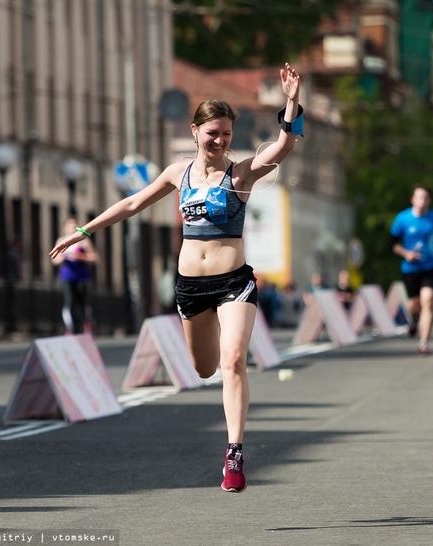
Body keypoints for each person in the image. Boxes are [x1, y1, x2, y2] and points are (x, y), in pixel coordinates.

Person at [50, 63, 303, 493]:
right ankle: (229, 433)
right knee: (204, 368)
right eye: (213, 133)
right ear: (195, 131)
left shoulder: (240, 173)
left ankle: (235, 452)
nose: (220, 141)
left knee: (233, 362)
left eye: (226, 134)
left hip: (234, 282)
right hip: (190, 287)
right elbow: (132, 203)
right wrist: (82, 231)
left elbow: (282, 147)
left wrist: (291, 102)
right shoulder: (176, 174)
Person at [390, 184, 433, 355]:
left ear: (429, 200)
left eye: (425, 197)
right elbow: (393, 244)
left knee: (428, 300)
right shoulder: (402, 219)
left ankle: (423, 342)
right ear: (413, 200)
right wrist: (405, 253)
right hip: (410, 267)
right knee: (413, 305)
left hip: (430, 266)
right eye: (419, 197)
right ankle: (413, 319)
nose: (422, 201)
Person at [51, 218, 98, 334]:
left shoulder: (84, 241)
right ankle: (71, 327)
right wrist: (61, 258)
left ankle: (83, 325)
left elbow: (94, 257)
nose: (72, 228)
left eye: (75, 226)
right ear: (65, 228)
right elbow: (54, 260)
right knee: (69, 302)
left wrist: (80, 256)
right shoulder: (61, 241)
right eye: (70, 226)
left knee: (81, 302)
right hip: (67, 276)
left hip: (82, 276)